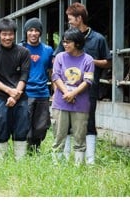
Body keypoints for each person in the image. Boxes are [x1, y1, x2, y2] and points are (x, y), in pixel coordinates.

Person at [54, 2, 112, 164]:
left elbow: (108, 62)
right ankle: (64, 158)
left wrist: (90, 61)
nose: (69, 22)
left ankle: (89, 159)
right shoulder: (67, 38)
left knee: (88, 122)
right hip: (65, 90)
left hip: (88, 89)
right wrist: (63, 90)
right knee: (64, 125)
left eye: (70, 19)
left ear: (79, 18)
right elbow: (56, 61)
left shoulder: (98, 39)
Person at [0, 18, 31, 160]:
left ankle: (20, 162)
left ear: (14, 34)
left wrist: (15, 95)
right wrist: (9, 92)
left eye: (10, 34)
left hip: (20, 97)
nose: (7, 37)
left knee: (21, 130)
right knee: (1, 129)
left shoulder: (23, 52)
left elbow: (24, 75)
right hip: (0, 98)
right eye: (4, 34)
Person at [51, 28, 95, 165]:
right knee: (59, 135)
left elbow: (88, 81)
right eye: (64, 42)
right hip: (60, 102)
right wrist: (66, 93)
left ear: (77, 43)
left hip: (80, 104)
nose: (65, 44)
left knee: (80, 135)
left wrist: (73, 93)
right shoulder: (59, 57)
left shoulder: (88, 59)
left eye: (68, 42)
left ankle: (78, 165)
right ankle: (57, 164)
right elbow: (55, 76)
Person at [20, 18, 54, 153]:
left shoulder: (48, 49)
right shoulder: (20, 48)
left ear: (40, 33)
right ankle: (25, 150)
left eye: (36, 30)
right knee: (25, 124)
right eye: (30, 30)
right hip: (25, 92)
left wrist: (54, 91)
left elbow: (52, 71)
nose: (33, 33)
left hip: (42, 92)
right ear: (26, 32)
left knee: (41, 125)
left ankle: (36, 148)